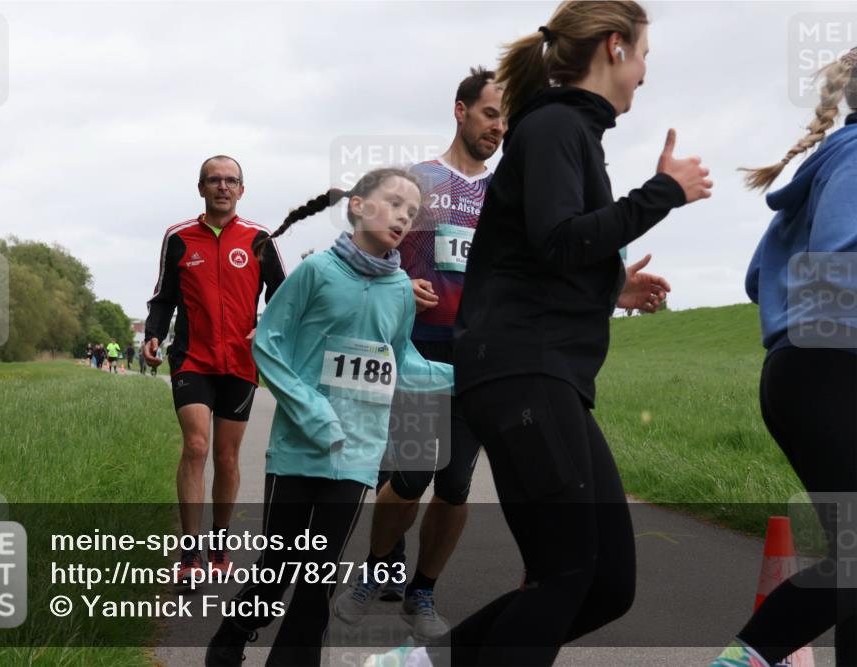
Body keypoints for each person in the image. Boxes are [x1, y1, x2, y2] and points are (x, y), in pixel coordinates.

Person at [366, 2, 712, 665]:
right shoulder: (555, 126)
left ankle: (416, 662)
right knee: (567, 573)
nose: (644, 73)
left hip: (543, 372)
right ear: (614, 47)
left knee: (607, 583)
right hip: (525, 371)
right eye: (642, 56)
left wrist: (614, 287)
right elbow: (558, 239)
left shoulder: (569, 132)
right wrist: (662, 192)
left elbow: (538, 251)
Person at [205, 168, 453, 667]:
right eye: (394, 203)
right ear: (358, 206)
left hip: (357, 454)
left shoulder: (402, 289)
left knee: (318, 575)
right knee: (275, 570)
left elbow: (401, 362)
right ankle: (232, 635)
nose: (404, 215)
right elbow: (267, 345)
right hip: (299, 447)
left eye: (412, 210)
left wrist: (465, 376)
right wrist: (313, 412)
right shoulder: (316, 271)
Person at [335, 66, 505, 640]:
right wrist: (400, 284)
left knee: (456, 485)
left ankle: (422, 592)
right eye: (489, 113)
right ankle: (373, 572)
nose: (498, 127)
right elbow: (373, 249)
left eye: (506, 118)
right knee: (410, 475)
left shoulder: (506, 194)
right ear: (460, 110)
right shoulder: (418, 182)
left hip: (479, 355)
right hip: (419, 348)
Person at [710, 47, 857, 667]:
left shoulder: (826, 162)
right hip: (832, 369)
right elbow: (839, 255)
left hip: (802, 370)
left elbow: (756, 276)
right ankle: (746, 659)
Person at [144, 155, 286, 583]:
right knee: (197, 446)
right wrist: (153, 333)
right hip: (192, 357)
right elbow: (163, 296)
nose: (223, 186)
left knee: (226, 456)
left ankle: (219, 543)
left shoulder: (260, 238)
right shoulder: (179, 237)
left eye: (231, 180)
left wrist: (265, 332)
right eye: (214, 180)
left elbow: (283, 296)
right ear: (201, 188)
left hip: (241, 363)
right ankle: (188, 555)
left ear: (242, 189)